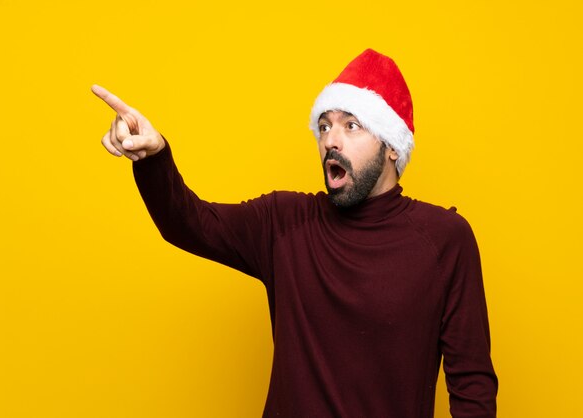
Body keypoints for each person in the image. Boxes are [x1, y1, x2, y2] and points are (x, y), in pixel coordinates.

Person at [92, 49, 498, 417]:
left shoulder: (445, 240)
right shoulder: (285, 223)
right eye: (324, 126)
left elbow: (472, 386)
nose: (330, 141)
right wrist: (154, 157)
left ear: (392, 145)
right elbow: (189, 224)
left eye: (351, 126)